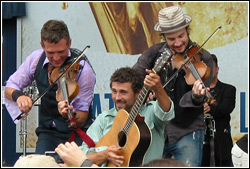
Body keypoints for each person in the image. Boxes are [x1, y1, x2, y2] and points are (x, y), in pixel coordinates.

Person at [132, 5, 214, 166]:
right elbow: (132, 78)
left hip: (187, 130)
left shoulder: (204, 57)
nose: (177, 43)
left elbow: (195, 100)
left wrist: (197, 96)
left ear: (187, 30)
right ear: (163, 37)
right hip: (156, 130)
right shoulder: (154, 53)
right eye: (171, 39)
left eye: (181, 36)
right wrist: (145, 90)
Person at [4, 20, 96, 154]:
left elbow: (81, 119)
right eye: (51, 53)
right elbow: (10, 86)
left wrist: (68, 115)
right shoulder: (36, 59)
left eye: (61, 51)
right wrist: (19, 96)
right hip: (47, 131)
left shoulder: (83, 70)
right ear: (42, 45)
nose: (57, 58)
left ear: (69, 43)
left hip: (75, 132)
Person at [56, 67, 175, 167]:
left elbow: (167, 112)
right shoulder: (104, 119)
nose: (117, 97)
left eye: (123, 92)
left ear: (138, 93)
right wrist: (105, 154)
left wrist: (158, 89)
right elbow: (83, 157)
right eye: (114, 91)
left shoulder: (151, 112)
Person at [201, 54, 236, 166]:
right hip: (199, 144)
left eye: (211, 67)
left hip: (221, 144)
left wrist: (210, 108)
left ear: (217, 69)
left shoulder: (228, 89)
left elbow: (226, 108)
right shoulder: (195, 92)